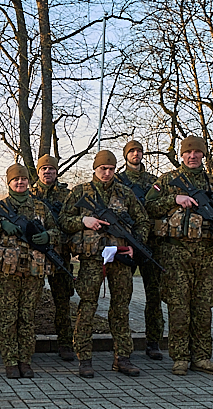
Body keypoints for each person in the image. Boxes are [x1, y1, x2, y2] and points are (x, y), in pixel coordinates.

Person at [145, 136, 213, 376]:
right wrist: (173, 199)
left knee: (203, 306)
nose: (192, 156)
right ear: (182, 155)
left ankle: (202, 357)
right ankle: (179, 358)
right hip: (175, 252)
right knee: (178, 306)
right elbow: (147, 207)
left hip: (206, 254)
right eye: (188, 152)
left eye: (197, 152)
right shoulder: (167, 180)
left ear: (203, 155)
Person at [59, 150, 148, 378]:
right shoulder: (81, 192)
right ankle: (84, 358)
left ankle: (123, 358)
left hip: (120, 259)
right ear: (95, 169)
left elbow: (142, 221)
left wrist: (134, 246)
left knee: (121, 307)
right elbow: (62, 221)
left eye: (110, 169)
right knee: (87, 306)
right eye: (103, 169)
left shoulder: (125, 193)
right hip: (92, 259)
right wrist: (83, 220)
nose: (107, 173)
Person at [0, 164, 58, 378]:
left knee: (27, 317)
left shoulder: (40, 208)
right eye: (16, 179)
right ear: (9, 182)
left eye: (23, 179)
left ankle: (25, 360)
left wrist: (49, 237)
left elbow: (57, 231)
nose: (20, 182)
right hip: (6, 273)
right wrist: (0, 226)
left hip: (33, 272)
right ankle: (10, 361)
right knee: (8, 317)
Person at [116, 140, 164, 360]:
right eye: (132, 151)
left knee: (154, 295)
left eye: (139, 151)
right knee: (122, 295)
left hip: (151, 242)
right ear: (126, 155)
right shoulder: (117, 181)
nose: (136, 154)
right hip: (125, 242)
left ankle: (154, 341)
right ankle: (122, 344)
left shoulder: (155, 181)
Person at [29, 155, 75, 361]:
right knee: (30, 302)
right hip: (35, 256)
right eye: (44, 168)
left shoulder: (68, 196)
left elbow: (73, 223)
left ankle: (65, 343)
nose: (48, 172)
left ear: (57, 172)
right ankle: (27, 344)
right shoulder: (28, 194)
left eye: (51, 169)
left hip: (60, 254)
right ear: (38, 172)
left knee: (63, 301)